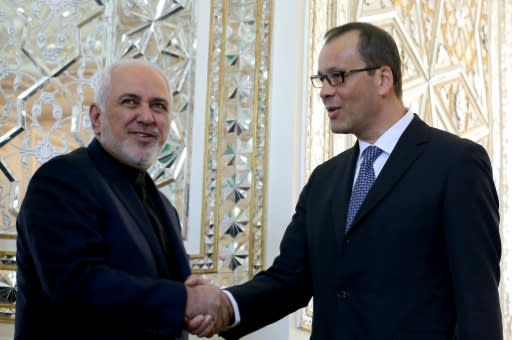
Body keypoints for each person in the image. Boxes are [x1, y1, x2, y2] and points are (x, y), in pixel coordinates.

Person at [189, 21, 503, 339]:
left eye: (337, 76)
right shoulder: (324, 180)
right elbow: (290, 280)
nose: (325, 91)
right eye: (321, 79)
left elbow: (477, 298)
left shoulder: (456, 162)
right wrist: (226, 305)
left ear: (382, 78)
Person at [15, 59, 230, 339]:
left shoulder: (164, 206)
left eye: (158, 106)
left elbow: (158, 301)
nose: (147, 117)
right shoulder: (62, 178)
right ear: (96, 118)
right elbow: (74, 284)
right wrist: (185, 301)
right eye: (130, 102)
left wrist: (191, 314)